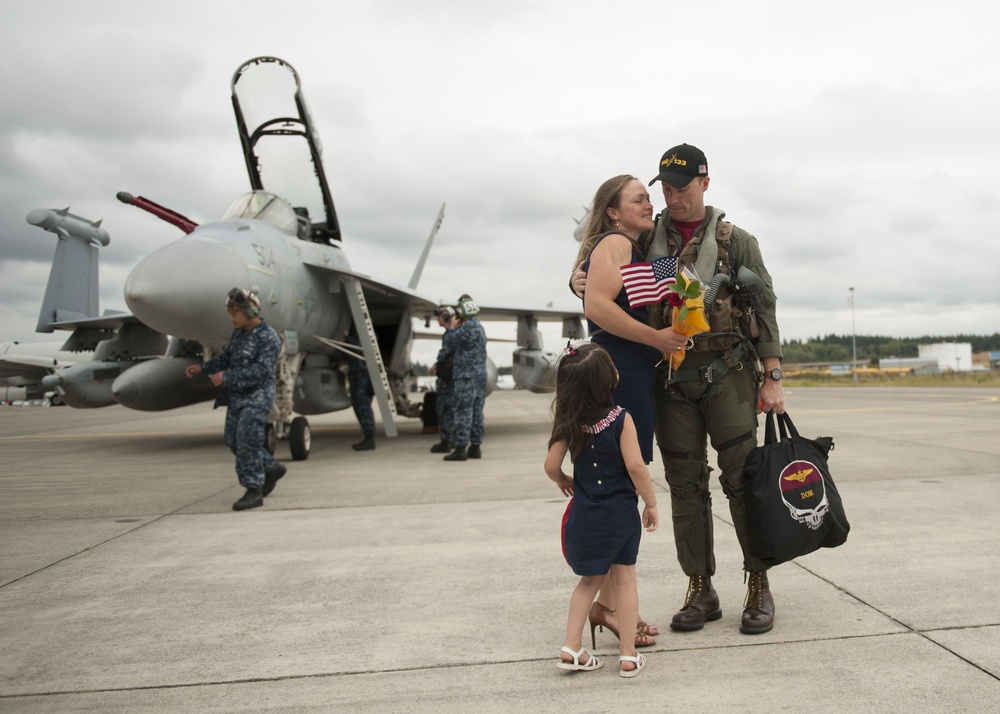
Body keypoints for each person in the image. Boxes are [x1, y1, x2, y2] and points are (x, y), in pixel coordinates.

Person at [575, 144, 785, 634]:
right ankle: (700, 586)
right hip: (669, 378)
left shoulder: (736, 241)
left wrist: (773, 377)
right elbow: (613, 278)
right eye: (664, 189)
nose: (671, 198)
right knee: (686, 485)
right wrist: (577, 277)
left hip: (728, 372)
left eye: (681, 188)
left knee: (741, 479)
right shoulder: (650, 242)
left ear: (704, 184)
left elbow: (766, 305)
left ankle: (758, 583)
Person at [572, 174, 687, 647]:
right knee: (619, 490)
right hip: (621, 369)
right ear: (613, 211)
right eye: (638, 198)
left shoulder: (630, 249)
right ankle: (609, 607)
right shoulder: (616, 242)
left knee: (619, 493)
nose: (648, 203)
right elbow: (597, 305)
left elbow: (605, 289)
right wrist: (655, 338)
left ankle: (612, 605)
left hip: (633, 371)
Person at [545, 342, 658, 678]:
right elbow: (636, 467)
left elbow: (551, 464)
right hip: (620, 516)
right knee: (624, 581)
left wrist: (563, 478)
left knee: (588, 581)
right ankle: (627, 655)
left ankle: (571, 646)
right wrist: (650, 502)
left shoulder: (569, 422)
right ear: (609, 381)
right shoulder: (621, 420)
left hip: (585, 517)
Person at [185, 288, 285, 511]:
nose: (231, 319)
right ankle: (271, 468)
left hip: (256, 397)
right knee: (233, 441)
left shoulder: (268, 338)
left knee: (247, 441)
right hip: (236, 396)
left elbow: (262, 370)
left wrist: (227, 376)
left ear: (250, 312)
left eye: (235, 314)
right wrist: (203, 367)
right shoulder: (240, 333)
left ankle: (253, 490)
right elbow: (229, 356)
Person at [441, 295, 487, 462]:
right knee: (476, 412)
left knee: (463, 411)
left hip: (465, 376)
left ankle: (460, 448)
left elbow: (450, 342)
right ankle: (475, 447)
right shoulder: (479, 327)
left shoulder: (466, 328)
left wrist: (452, 326)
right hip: (480, 376)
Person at [428, 306, 458, 453]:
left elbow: (445, 353)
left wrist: (437, 364)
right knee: (448, 409)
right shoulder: (450, 333)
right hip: (449, 376)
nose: (437, 319)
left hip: (448, 379)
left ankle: (446, 441)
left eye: (439, 316)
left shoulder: (450, 334)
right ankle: (449, 439)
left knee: (445, 409)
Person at [342, 328, 376, 451]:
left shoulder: (368, 335)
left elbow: (361, 348)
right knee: (357, 404)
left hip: (363, 374)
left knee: (363, 404)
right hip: (355, 374)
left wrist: (347, 338)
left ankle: (370, 437)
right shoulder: (355, 335)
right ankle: (367, 436)